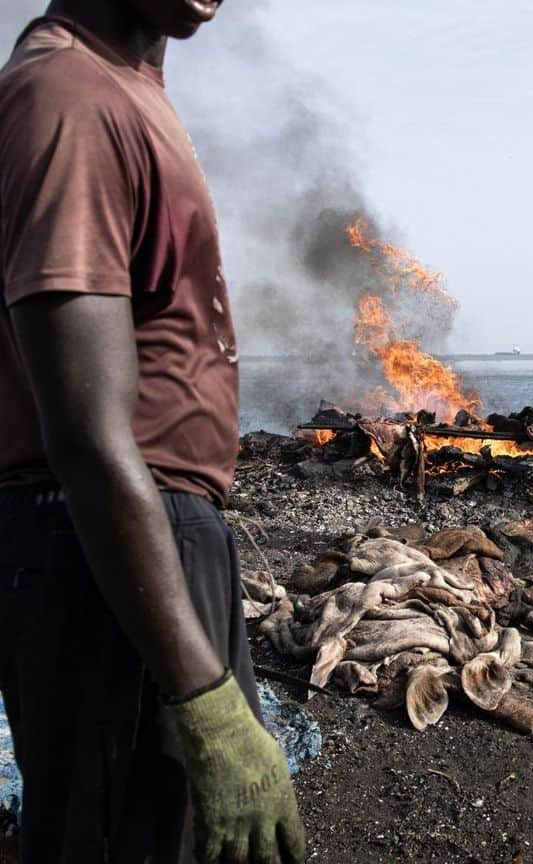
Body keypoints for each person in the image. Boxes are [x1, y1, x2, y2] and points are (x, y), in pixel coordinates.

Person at [0, 1, 306, 861]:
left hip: (142, 541)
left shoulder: (124, 88)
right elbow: (88, 436)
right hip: (108, 550)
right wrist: (204, 696)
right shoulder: (69, 95)